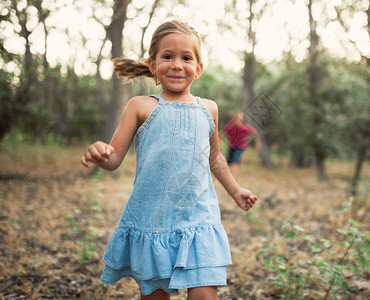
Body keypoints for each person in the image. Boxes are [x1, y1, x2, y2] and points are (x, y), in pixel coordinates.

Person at [80, 20, 257, 300]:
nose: (177, 64)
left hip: (199, 218)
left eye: (186, 58)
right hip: (154, 221)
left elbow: (215, 157)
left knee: (204, 295)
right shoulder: (140, 106)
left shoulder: (208, 109)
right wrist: (100, 153)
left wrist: (236, 190)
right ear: (152, 65)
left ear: (198, 68)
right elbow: (113, 158)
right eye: (168, 56)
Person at [220, 110, 261, 176]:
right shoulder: (229, 127)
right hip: (231, 146)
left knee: (235, 160)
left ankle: (232, 176)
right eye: (236, 120)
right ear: (233, 119)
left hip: (240, 146)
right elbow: (222, 135)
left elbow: (254, 132)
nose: (238, 121)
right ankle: (227, 174)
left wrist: (257, 142)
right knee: (228, 161)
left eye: (240, 120)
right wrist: (220, 145)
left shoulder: (244, 128)